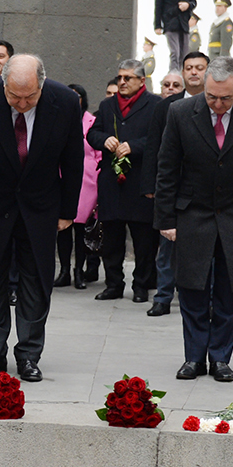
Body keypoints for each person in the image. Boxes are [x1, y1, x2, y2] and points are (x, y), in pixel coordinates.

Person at [0, 54, 83, 382]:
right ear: (3, 83)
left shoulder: (64, 101)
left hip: (40, 206)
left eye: (30, 96)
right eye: (14, 96)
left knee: (36, 280)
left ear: (42, 84)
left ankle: (29, 355)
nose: (22, 103)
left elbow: (73, 159)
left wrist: (68, 212)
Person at [154, 57, 233, 383]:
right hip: (193, 213)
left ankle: (221, 357)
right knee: (192, 288)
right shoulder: (180, 113)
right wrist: (166, 218)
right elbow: (167, 169)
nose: (218, 104)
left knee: (231, 290)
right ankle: (194, 358)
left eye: (225, 98)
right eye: (212, 97)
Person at [88, 60, 161, 302]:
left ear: (142, 81)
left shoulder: (155, 105)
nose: (122, 82)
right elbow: (92, 133)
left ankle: (140, 286)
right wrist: (104, 139)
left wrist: (135, 146)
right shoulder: (107, 105)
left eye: (128, 78)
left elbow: (161, 139)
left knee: (143, 242)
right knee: (111, 241)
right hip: (112, 184)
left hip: (140, 183)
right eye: (120, 77)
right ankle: (113, 285)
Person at [145, 51, 207, 317]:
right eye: (189, 67)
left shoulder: (216, 103)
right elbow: (153, 148)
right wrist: (151, 185)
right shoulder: (166, 106)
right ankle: (163, 296)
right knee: (167, 246)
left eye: (199, 68)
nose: (194, 72)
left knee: (204, 249)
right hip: (171, 188)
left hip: (205, 190)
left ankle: (204, 297)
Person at [56, 83, 100, 289]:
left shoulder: (92, 121)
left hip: (87, 182)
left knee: (81, 229)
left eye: (78, 96)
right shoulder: (56, 119)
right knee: (63, 227)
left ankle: (79, 272)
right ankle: (64, 271)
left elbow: (98, 153)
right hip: (61, 178)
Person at [154, 0, 196, 71]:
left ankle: (183, 79)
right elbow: (158, 5)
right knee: (175, 53)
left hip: (183, 24)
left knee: (184, 54)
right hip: (170, 22)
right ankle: (174, 76)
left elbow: (193, 2)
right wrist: (157, 25)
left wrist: (187, 5)